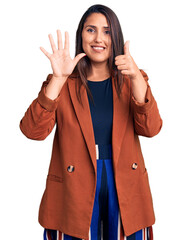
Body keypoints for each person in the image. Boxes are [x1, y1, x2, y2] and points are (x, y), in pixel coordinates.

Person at [19, 4, 163, 240]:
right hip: (74, 187)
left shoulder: (132, 80)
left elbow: (152, 128)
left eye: (107, 31)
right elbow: (32, 131)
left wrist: (137, 76)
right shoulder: (63, 82)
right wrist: (58, 79)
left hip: (125, 183)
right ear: (81, 35)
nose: (99, 38)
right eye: (91, 30)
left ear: (116, 37)